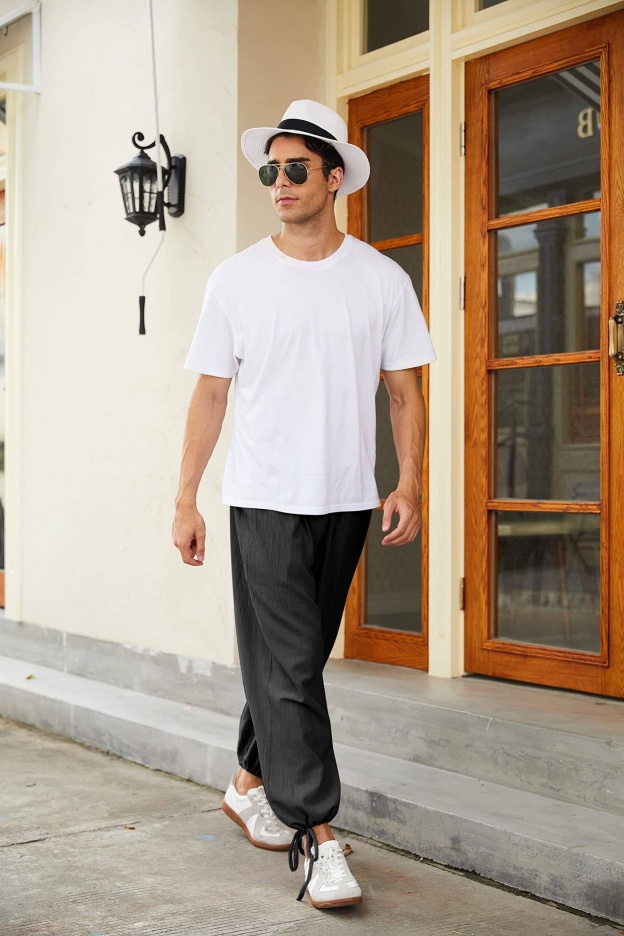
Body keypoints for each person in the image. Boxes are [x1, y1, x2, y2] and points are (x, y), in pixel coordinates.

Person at [173, 99, 436, 909]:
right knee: (289, 669)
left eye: (294, 168)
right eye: (270, 169)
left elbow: (405, 392)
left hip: (346, 500)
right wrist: (185, 498)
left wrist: (409, 482)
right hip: (262, 499)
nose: (279, 182)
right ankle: (319, 837)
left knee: (294, 664)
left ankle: (246, 783)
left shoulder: (381, 280)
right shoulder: (237, 279)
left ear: (334, 178)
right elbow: (210, 395)